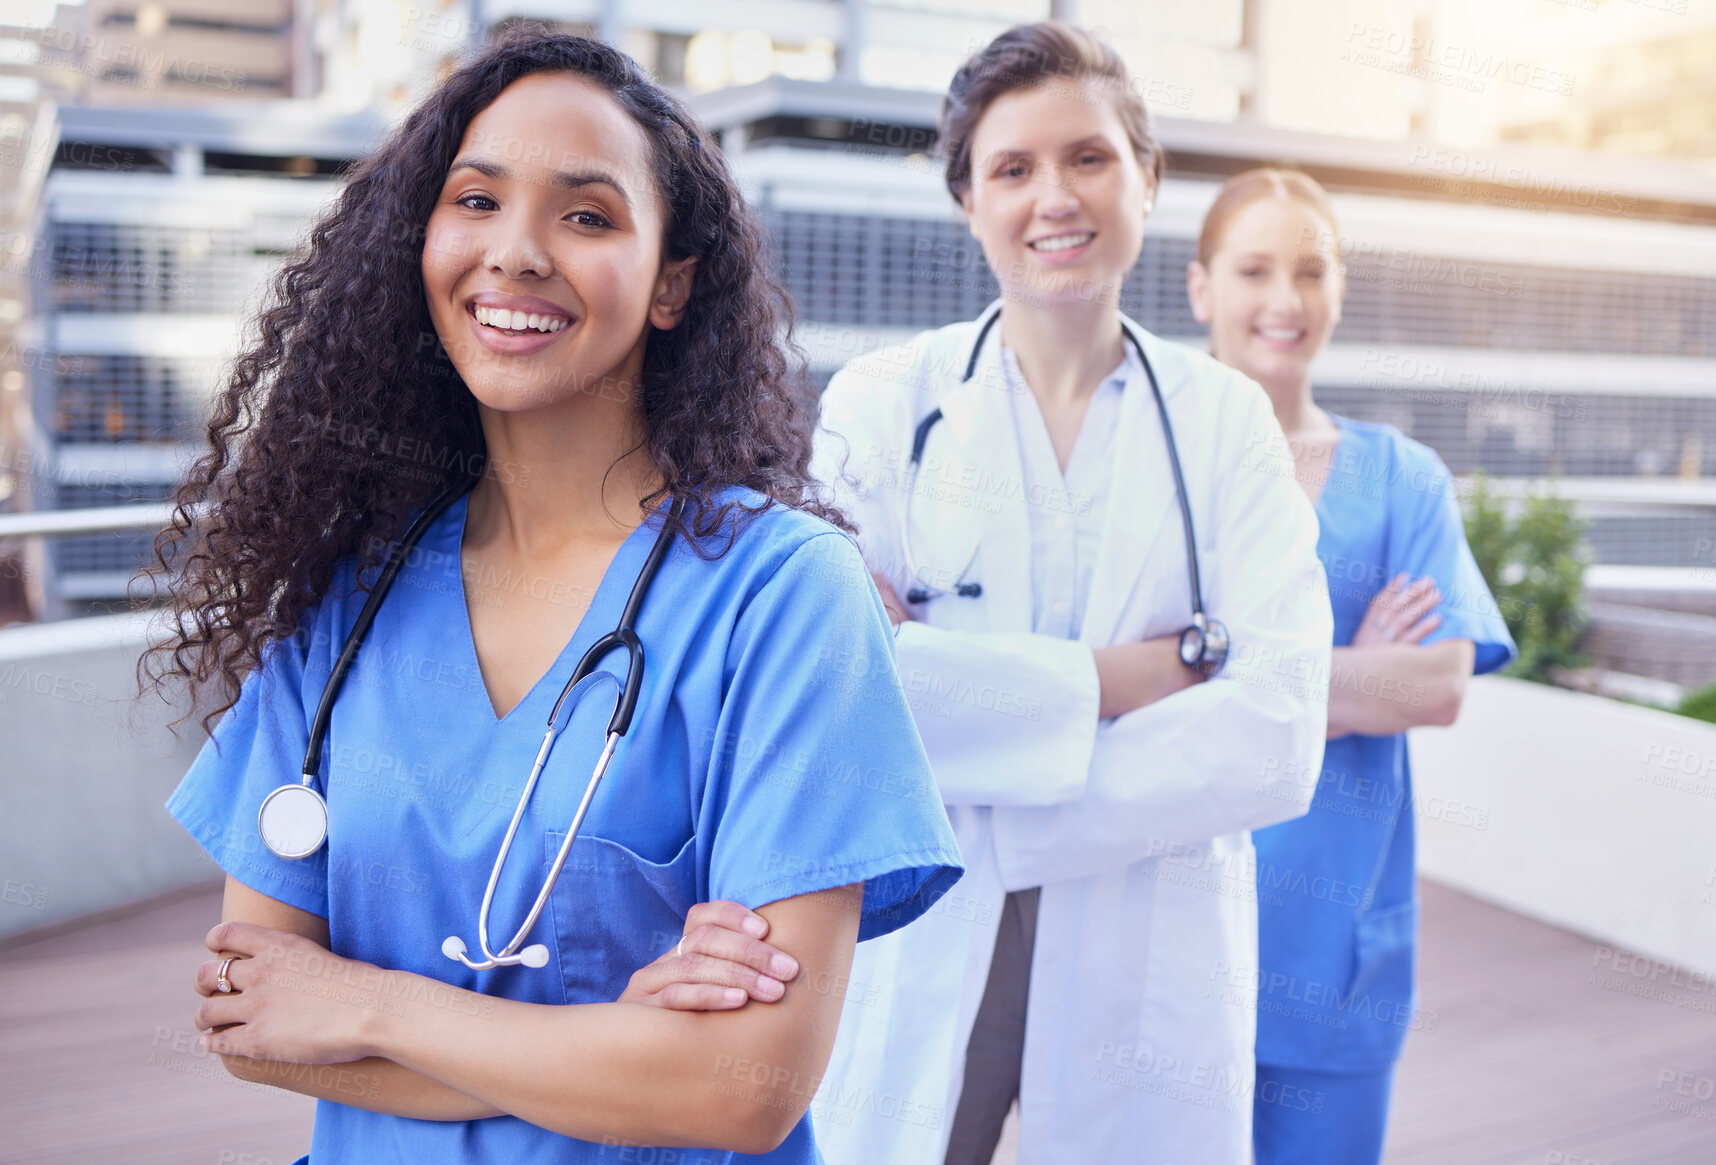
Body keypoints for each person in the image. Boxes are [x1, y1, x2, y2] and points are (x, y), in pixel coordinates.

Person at [147, 29, 962, 1164]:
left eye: (587, 216)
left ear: (673, 282)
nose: (517, 251)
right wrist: (619, 1047)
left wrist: (366, 1004)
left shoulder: (781, 597)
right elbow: (252, 1019)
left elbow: (746, 1086)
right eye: (474, 199)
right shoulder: (355, 595)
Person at [803, 23, 1332, 1164]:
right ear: (967, 200)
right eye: (1013, 168)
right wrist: (1135, 680)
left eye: (1089, 157)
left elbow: (1282, 729)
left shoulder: (1227, 419)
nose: (1056, 196)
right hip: (927, 926)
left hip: (1149, 934)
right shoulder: (884, 404)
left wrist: (997, 778)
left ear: (1146, 177)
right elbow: (841, 685)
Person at [1186, 167, 1517, 1164]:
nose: (1285, 301)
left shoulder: (1402, 476)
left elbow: (1440, 682)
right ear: (1203, 289)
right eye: (1254, 270)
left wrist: (1226, 677)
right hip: (1170, 940)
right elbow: (1107, 689)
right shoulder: (1155, 465)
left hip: (1335, 959)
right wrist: (1351, 676)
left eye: (1311, 271)